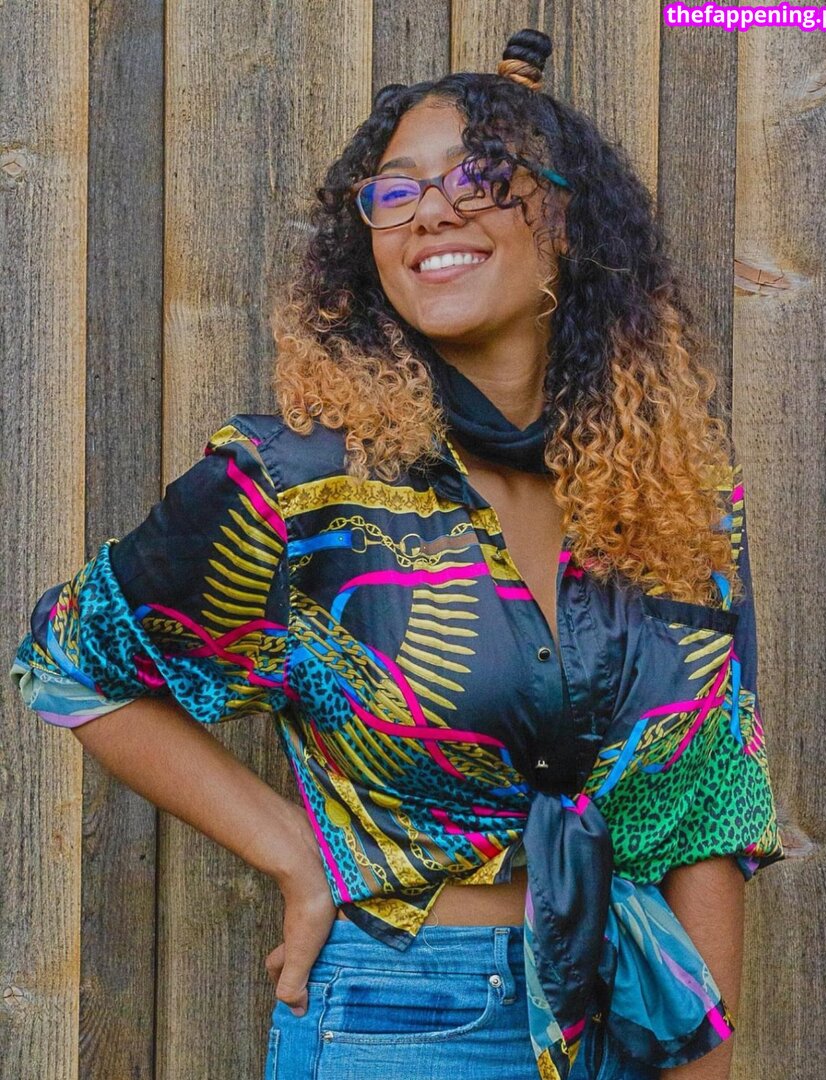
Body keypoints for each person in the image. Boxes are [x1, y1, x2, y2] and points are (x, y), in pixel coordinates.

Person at [10, 27, 784, 1080]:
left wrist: (703, 1063)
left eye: (480, 176)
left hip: (636, 1011)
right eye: (397, 190)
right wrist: (296, 855)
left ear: (566, 220)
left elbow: (710, 800)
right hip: (406, 1020)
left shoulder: (679, 495)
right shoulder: (300, 483)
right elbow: (69, 663)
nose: (432, 210)